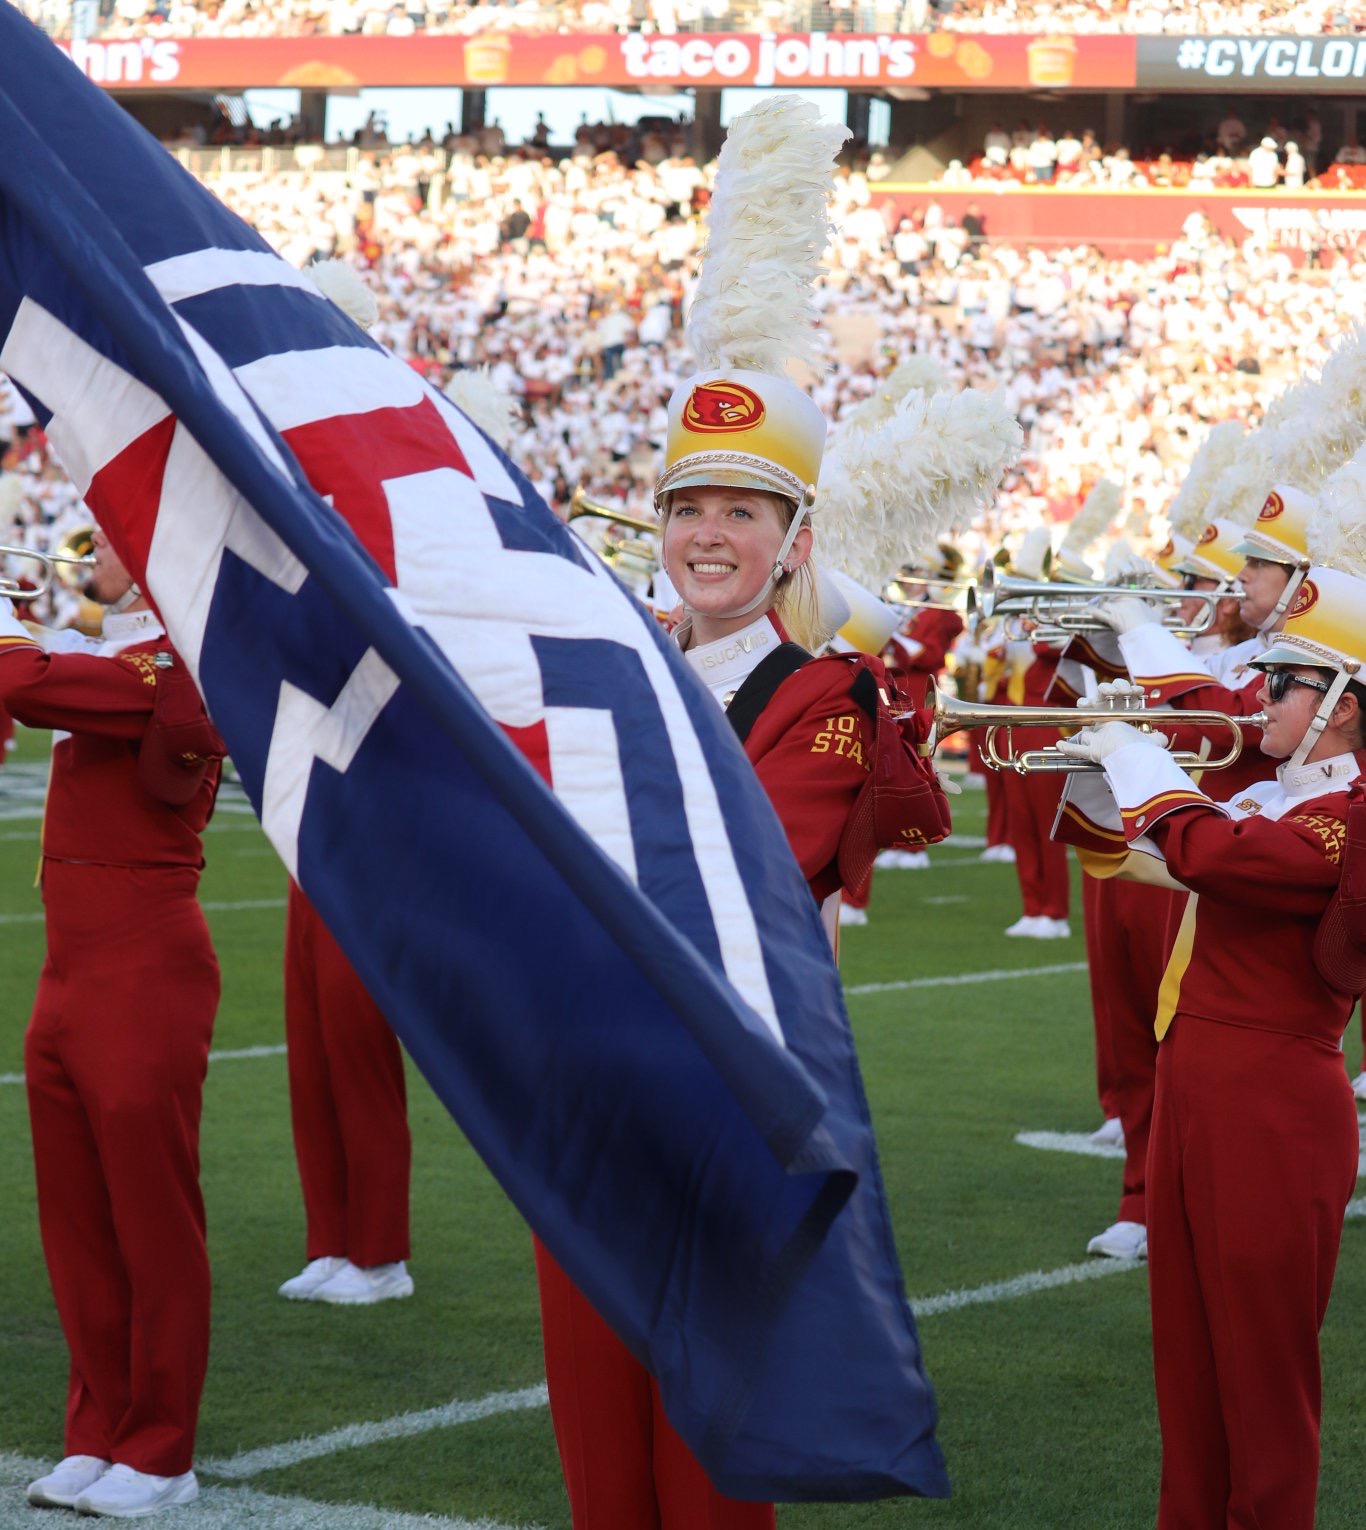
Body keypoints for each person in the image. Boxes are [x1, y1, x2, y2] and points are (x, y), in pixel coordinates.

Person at [530, 95, 961, 1530]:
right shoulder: (607, 663)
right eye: (686, 507)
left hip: (732, 1104)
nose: (706, 534)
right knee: (600, 1456)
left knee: (709, 1471)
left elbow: (740, 867)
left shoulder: (823, 688)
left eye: (740, 511)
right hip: (593, 1091)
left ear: (793, 539)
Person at [1054, 554, 1366, 1530]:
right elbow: (1150, 863)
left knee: (1261, 1375)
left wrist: (1136, 757)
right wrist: (1096, 772)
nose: (1260, 694)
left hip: (1271, 1103)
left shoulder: (1343, 821)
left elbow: (1211, 853)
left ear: (1343, 706)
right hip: (1201, 1080)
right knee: (1187, 1362)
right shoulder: (1285, 800)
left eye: (1286, 682)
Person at [5, 527, 225, 1518]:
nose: (84, 546)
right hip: (68, 963)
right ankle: (96, 1430)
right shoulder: (103, 646)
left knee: (151, 1219)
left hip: (144, 962)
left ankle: (163, 1446)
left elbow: (35, 684)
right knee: (79, 1224)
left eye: (112, 531)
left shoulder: (185, 660)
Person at [275, 883, 414, 1304]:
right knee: (310, 1071)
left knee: (362, 1071)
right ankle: (332, 1244)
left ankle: (382, 1259)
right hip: (305, 872)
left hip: (359, 871)